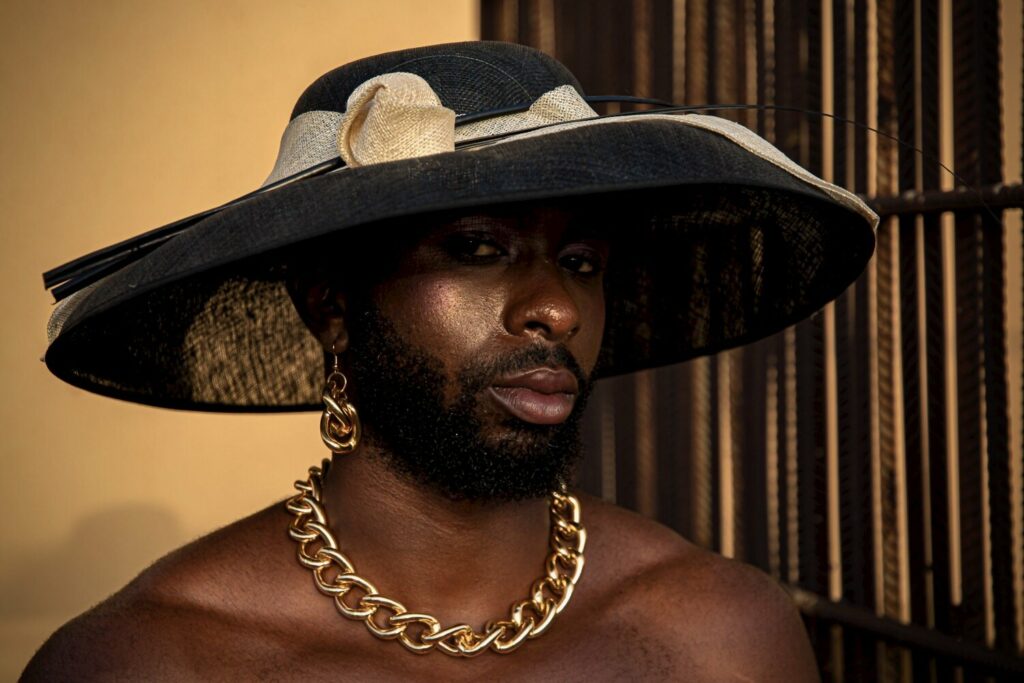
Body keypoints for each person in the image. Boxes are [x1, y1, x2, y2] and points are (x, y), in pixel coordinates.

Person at [25, 41, 876, 680]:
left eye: (581, 262)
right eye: (477, 248)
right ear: (330, 306)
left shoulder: (720, 635)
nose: (557, 307)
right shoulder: (150, 659)